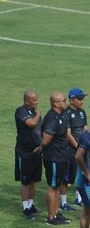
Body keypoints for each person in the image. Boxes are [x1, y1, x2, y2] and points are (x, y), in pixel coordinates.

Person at [36, 91, 76, 225]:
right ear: (56, 103)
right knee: (52, 187)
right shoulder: (52, 118)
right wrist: (40, 148)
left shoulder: (61, 115)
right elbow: (46, 139)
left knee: (57, 186)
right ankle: (51, 217)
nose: (65, 102)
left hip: (61, 157)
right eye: (63, 100)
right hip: (53, 158)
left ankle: (56, 212)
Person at [16, 90, 43, 220]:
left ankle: (31, 205)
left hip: (37, 151)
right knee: (26, 181)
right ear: (27, 101)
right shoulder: (21, 111)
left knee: (34, 180)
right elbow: (31, 124)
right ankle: (25, 208)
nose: (36, 102)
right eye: (34, 100)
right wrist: (38, 114)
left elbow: (41, 130)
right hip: (25, 152)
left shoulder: (34, 112)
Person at [65, 87, 88, 209]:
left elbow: (85, 129)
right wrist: (78, 146)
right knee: (70, 175)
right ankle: (63, 201)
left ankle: (79, 198)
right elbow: (68, 134)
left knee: (82, 172)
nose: (82, 101)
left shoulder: (82, 112)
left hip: (82, 148)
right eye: (79, 99)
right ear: (72, 99)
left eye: (82, 98)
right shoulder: (67, 113)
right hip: (71, 149)